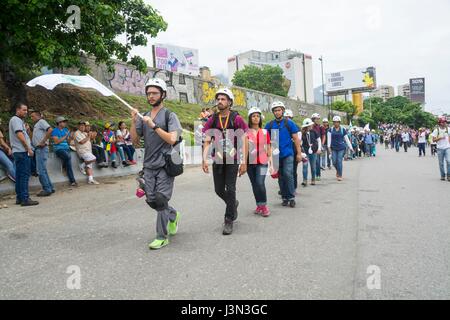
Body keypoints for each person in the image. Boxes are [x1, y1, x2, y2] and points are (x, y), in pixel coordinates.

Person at [130, 78, 183, 250]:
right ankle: (173, 215)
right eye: (148, 93)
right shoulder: (143, 117)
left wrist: (153, 126)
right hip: (149, 165)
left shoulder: (170, 115)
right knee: (152, 201)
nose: (151, 96)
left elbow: (172, 138)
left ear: (163, 94)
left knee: (160, 199)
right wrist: (133, 122)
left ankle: (162, 236)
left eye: (154, 93)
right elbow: (135, 142)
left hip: (165, 164)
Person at [202, 88, 248, 235]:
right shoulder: (212, 119)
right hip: (218, 159)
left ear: (229, 102)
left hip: (233, 159)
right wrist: (204, 159)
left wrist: (244, 162)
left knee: (231, 188)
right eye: (218, 99)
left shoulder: (237, 119)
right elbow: (207, 141)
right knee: (218, 189)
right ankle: (232, 202)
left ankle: (229, 220)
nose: (220, 102)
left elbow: (245, 140)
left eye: (223, 99)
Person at [265, 101, 302, 208]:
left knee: (288, 173)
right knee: (280, 176)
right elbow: (264, 138)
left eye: (279, 110)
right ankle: (284, 197)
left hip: (288, 153)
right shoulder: (270, 125)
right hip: (275, 155)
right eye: (275, 110)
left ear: (283, 111)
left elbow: (296, 139)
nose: (277, 112)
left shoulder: (289, 123)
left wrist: (299, 153)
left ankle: (291, 197)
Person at [9, 103, 39, 206]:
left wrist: (26, 130)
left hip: (18, 151)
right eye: (24, 110)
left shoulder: (18, 121)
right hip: (22, 151)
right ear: (18, 110)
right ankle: (25, 199)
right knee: (25, 175)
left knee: (19, 175)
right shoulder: (16, 120)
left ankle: (20, 198)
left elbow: (22, 134)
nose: (26, 112)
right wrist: (28, 149)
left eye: (26, 110)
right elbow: (19, 134)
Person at [247, 107, 273, 217]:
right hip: (250, 163)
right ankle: (259, 205)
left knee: (260, 183)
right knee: (254, 184)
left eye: (258, 116)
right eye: (253, 116)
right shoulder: (246, 132)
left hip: (262, 162)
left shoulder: (265, 132)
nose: (256, 118)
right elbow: (242, 148)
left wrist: (271, 163)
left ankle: (264, 205)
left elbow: (268, 148)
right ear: (250, 118)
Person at [30, 111, 54, 196]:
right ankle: (50, 187)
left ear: (37, 116)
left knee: (40, 170)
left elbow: (50, 129)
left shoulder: (41, 121)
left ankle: (46, 189)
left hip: (41, 148)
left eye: (32, 116)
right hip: (39, 148)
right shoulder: (37, 124)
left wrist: (43, 141)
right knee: (43, 169)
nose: (31, 118)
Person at [52, 116, 78, 187]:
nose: (65, 123)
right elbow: (56, 141)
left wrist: (71, 137)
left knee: (69, 164)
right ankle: (64, 166)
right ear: (59, 123)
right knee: (67, 157)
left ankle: (72, 181)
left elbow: (68, 142)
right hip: (59, 149)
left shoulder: (66, 130)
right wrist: (65, 136)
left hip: (66, 148)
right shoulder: (55, 130)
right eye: (63, 122)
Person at [327, 116, 353, 182]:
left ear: (339, 122)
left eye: (337, 122)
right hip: (333, 148)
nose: (336, 123)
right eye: (334, 122)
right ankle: (338, 170)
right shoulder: (330, 129)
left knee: (339, 161)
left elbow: (347, 139)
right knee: (334, 162)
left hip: (341, 147)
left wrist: (351, 147)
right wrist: (329, 147)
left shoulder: (342, 129)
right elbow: (329, 139)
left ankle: (340, 175)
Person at [301, 118, 321, 186]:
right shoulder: (302, 134)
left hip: (313, 151)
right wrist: (301, 151)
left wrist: (319, 149)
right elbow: (300, 143)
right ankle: (305, 180)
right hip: (305, 152)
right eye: (309, 126)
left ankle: (313, 179)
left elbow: (319, 140)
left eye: (310, 125)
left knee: (313, 166)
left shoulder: (314, 132)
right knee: (305, 166)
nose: (310, 126)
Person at [431, 116, 450, 181]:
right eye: (443, 122)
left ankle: (449, 175)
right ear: (439, 123)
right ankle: (442, 175)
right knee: (441, 163)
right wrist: (440, 138)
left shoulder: (448, 129)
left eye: (445, 122)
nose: (444, 123)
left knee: (449, 161)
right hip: (440, 148)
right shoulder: (436, 130)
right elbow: (433, 140)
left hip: (447, 147)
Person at [311, 113, 324, 181]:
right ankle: (313, 175)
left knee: (317, 161)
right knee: (312, 162)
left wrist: (321, 144)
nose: (317, 120)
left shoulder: (320, 127)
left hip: (317, 145)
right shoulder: (310, 126)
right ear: (313, 119)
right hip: (310, 146)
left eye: (318, 119)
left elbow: (323, 136)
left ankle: (318, 175)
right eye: (316, 119)